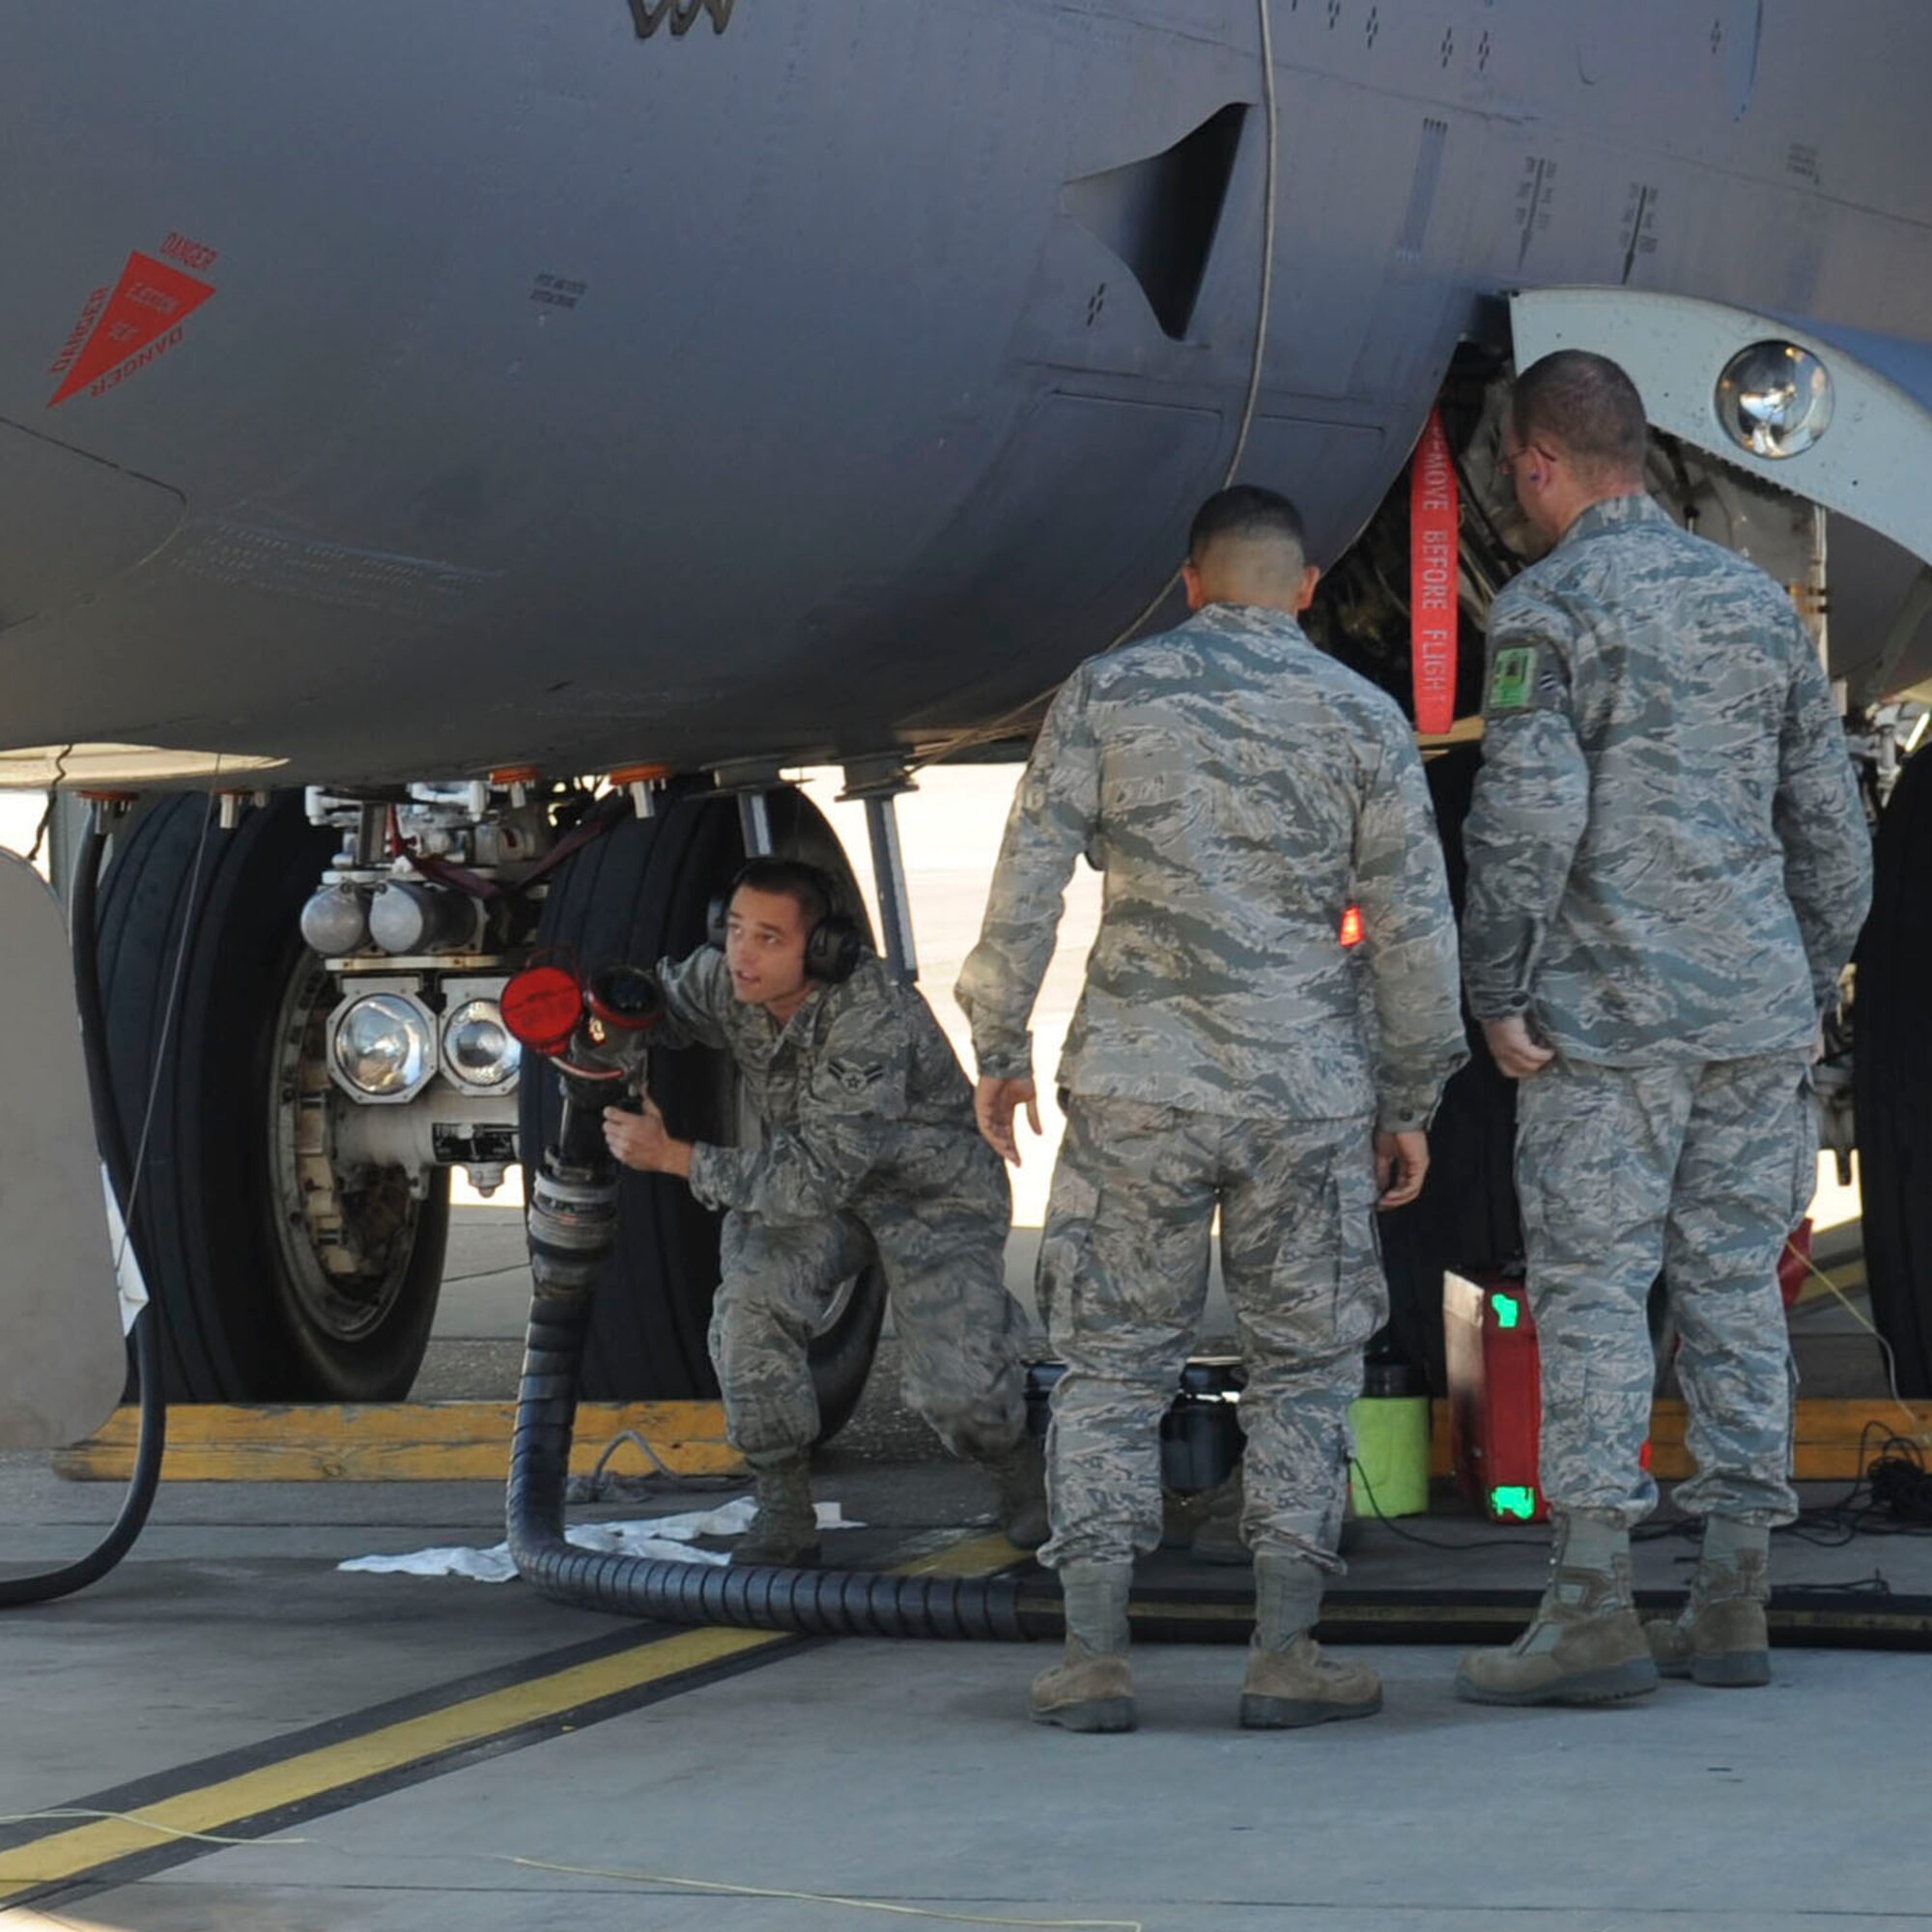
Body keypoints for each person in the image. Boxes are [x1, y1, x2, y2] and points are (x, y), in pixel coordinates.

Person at [956, 486, 1466, 1733]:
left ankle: (1092, 1659)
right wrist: (1412, 1092)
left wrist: (999, 1041)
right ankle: (1285, 1652)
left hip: (1140, 1083)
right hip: (1304, 1090)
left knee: (1113, 1367)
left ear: (1189, 582)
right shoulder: (1360, 714)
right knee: (1304, 1366)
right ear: (1302, 589)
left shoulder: (1110, 693)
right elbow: (1411, 927)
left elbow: (1028, 870)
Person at [1455, 351, 1872, 1705]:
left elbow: (1525, 820)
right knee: (1735, 1286)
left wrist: (1499, 990)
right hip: (1753, 1016)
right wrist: (1806, 979)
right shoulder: (1755, 605)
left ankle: (1590, 1610)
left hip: (1608, 1028)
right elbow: (1831, 830)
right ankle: (1732, 1597)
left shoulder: (1547, 607)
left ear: (1536, 463)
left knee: (1592, 1294)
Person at [603, 857, 1046, 1565]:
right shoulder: (730, 978)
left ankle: (1016, 1466)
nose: (742, 953)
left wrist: (676, 1157)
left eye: (769, 939)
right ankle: (783, 1505)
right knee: (748, 1310)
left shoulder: (869, 1019)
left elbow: (815, 1180)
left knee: (962, 1392)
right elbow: (653, 1003)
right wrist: (611, 1041)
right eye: (736, 929)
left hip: (929, 1192)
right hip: (813, 1184)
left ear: (819, 950)